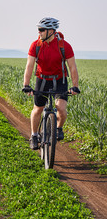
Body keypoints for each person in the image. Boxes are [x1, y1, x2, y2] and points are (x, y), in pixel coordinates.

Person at [22, 17, 80, 150]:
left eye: (42, 30)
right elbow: (29, 66)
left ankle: (58, 128)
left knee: (61, 109)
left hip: (60, 80)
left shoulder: (64, 46)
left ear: (51, 31)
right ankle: (34, 135)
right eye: (39, 29)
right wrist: (26, 85)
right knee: (38, 109)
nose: (39, 32)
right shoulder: (36, 45)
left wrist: (75, 86)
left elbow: (72, 67)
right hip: (42, 80)